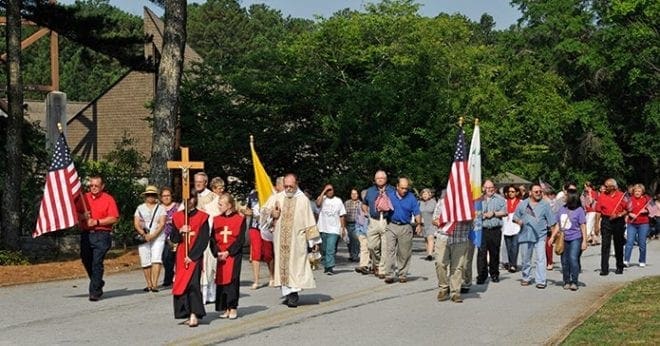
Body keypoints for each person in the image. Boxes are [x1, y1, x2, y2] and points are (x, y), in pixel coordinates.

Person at [269, 173, 321, 308]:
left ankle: (293, 294)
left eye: (291, 186)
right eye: (285, 186)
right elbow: (264, 212)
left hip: (297, 240)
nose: (288, 189)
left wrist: (313, 242)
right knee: (283, 267)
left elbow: (309, 220)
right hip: (281, 240)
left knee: (296, 266)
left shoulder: (303, 199)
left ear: (296, 184)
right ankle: (288, 293)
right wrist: (272, 215)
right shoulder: (278, 197)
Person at [171, 189, 209, 328]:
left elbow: (204, 239)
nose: (188, 201)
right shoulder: (177, 217)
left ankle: (194, 314)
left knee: (193, 284)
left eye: (191, 198)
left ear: (195, 200)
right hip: (181, 255)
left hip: (194, 256)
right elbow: (173, 238)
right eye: (186, 199)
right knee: (182, 284)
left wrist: (192, 257)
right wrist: (180, 230)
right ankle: (186, 312)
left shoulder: (202, 217)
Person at [77, 175, 120, 301]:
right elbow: (75, 213)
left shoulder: (108, 199)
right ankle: (98, 282)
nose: (93, 188)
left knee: (97, 262)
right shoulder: (83, 198)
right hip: (86, 234)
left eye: (96, 185)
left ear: (102, 186)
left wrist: (97, 222)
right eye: (91, 185)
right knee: (86, 260)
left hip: (102, 234)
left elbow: (114, 218)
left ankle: (94, 292)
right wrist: (82, 216)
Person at [513, 183, 557, 289]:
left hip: (540, 236)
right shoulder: (523, 204)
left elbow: (552, 222)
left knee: (541, 258)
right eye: (536, 191)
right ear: (530, 193)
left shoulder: (545, 205)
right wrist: (518, 221)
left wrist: (553, 237)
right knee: (525, 258)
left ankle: (541, 280)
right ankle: (526, 277)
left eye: (540, 191)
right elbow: (515, 216)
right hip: (525, 235)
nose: (538, 193)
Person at [210, 194, 246, 320]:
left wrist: (228, 252)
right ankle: (225, 307)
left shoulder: (240, 219)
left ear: (229, 205)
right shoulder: (216, 219)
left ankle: (233, 307)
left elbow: (240, 240)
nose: (218, 206)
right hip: (221, 254)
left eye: (221, 204)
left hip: (233, 255)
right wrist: (217, 252)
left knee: (232, 281)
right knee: (221, 281)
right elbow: (213, 239)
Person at [383, 177, 422, 284]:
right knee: (390, 250)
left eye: (406, 188)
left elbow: (417, 212)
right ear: (397, 187)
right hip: (392, 225)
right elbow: (381, 206)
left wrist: (419, 224)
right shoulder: (390, 195)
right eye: (402, 188)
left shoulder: (411, 198)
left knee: (404, 252)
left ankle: (402, 274)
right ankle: (389, 274)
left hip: (405, 226)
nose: (404, 190)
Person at [433, 195, 472, 303]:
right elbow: (434, 220)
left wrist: (465, 216)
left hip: (460, 238)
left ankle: (455, 292)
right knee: (440, 263)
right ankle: (444, 288)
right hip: (443, 237)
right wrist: (442, 221)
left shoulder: (467, 205)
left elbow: (472, 221)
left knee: (457, 267)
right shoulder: (442, 202)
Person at [549, 189, 587, 291]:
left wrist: (584, 241)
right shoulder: (562, 209)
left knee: (573, 258)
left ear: (571, 197)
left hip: (576, 237)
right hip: (563, 238)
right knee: (564, 261)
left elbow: (583, 226)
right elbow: (558, 224)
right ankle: (566, 280)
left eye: (565, 196)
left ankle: (574, 281)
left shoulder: (579, 210)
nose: (563, 197)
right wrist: (552, 236)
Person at [245, 180, 279, 290]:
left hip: (266, 227)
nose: (257, 185)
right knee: (256, 252)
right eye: (255, 183)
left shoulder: (271, 195)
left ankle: (272, 276)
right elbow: (248, 209)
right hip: (254, 227)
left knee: (268, 253)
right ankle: (256, 280)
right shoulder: (252, 195)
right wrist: (247, 212)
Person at [133, 185, 166, 292]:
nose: (150, 197)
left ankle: (155, 284)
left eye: (152, 195)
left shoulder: (161, 208)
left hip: (158, 235)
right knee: (145, 258)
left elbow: (162, 223)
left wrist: (153, 235)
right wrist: (143, 234)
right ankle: (149, 284)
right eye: (148, 195)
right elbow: (136, 223)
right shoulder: (140, 208)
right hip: (144, 235)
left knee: (156, 258)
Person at [363, 170, 395, 278]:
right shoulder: (370, 191)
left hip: (387, 220)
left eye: (382, 178)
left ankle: (382, 269)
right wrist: (365, 212)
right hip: (374, 220)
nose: (380, 179)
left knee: (385, 247)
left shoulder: (392, 190)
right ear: (375, 179)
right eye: (378, 178)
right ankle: (376, 264)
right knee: (371, 246)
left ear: (386, 179)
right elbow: (364, 203)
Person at [595, 178, 629, 275]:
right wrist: (596, 225)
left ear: (613, 187)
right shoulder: (602, 196)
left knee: (618, 244)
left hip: (618, 221)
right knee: (605, 245)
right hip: (606, 221)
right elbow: (598, 211)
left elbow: (627, 209)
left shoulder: (622, 196)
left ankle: (619, 266)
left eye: (606, 186)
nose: (604, 188)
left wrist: (619, 215)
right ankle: (604, 268)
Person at [194, 172, 219, 304]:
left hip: (208, 235)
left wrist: (206, 210)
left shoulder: (213, 197)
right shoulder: (191, 196)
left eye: (200, 181)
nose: (198, 184)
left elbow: (217, 214)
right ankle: (199, 294)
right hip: (193, 237)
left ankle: (210, 293)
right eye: (196, 181)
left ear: (205, 182)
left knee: (209, 266)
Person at [477, 180, 506, 284]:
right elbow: (474, 212)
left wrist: (494, 213)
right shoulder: (479, 199)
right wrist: (482, 215)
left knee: (494, 253)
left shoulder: (500, 199)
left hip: (495, 229)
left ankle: (494, 274)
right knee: (481, 253)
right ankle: (481, 275)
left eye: (491, 187)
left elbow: (504, 212)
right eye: (487, 187)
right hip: (482, 230)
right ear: (483, 188)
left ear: (494, 187)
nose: (489, 189)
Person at [316, 183, 347, 275]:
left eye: (331, 190)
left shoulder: (338, 201)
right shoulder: (322, 198)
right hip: (322, 228)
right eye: (328, 190)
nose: (330, 192)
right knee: (324, 249)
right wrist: (324, 191)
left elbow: (342, 215)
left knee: (330, 248)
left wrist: (343, 228)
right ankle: (326, 264)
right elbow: (318, 204)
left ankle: (330, 267)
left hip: (334, 229)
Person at [624, 184, 651, 267]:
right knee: (629, 242)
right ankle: (626, 260)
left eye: (639, 191)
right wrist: (630, 213)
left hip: (643, 223)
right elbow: (625, 209)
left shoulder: (647, 199)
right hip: (632, 223)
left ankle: (642, 260)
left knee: (642, 243)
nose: (637, 193)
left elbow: (653, 209)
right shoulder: (630, 199)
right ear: (633, 192)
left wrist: (646, 210)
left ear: (642, 192)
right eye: (636, 191)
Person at [160, 186, 179, 287]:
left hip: (174, 235)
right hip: (161, 236)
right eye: (164, 196)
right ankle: (169, 276)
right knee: (165, 258)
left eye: (168, 195)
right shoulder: (158, 208)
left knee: (172, 257)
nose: (166, 198)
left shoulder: (177, 207)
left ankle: (172, 277)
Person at [502, 185, 521, 273]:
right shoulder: (505, 202)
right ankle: (510, 263)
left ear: (517, 192)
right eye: (509, 191)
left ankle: (513, 264)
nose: (510, 193)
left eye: (513, 191)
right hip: (507, 226)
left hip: (516, 227)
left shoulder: (520, 202)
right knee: (508, 247)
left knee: (515, 246)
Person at [344, 188, 362, 263]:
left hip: (357, 224)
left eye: (355, 193)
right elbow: (343, 214)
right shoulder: (346, 203)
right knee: (349, 241)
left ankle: (355, 255)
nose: (354, 195)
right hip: (348, 223)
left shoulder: (361, 203)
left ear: (358, 195)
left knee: (356, 240)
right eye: (352, 194)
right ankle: (351, 255)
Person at [418, 188, 437, 261]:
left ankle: (430, 255)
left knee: (430, 238)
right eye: (423, 194)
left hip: (431, 223)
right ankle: (428, 253)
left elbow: (437, 212)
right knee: (426, 239)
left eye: (426, 194)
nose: (424, 195)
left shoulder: (433, 202)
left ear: (430, 195)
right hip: (423, 223)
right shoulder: (419, 202)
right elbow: (417, 213)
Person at [581, 181, 600, 246]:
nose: (584, 188)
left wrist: (589, 193)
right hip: (588, 211)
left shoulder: (593, 193)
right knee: (591, 225)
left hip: (593, 211)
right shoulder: (585, 194)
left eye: (585, 186)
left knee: (589, 225)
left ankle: (585, 239)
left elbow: (591, 201)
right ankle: (594, 240)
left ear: (588, 186)